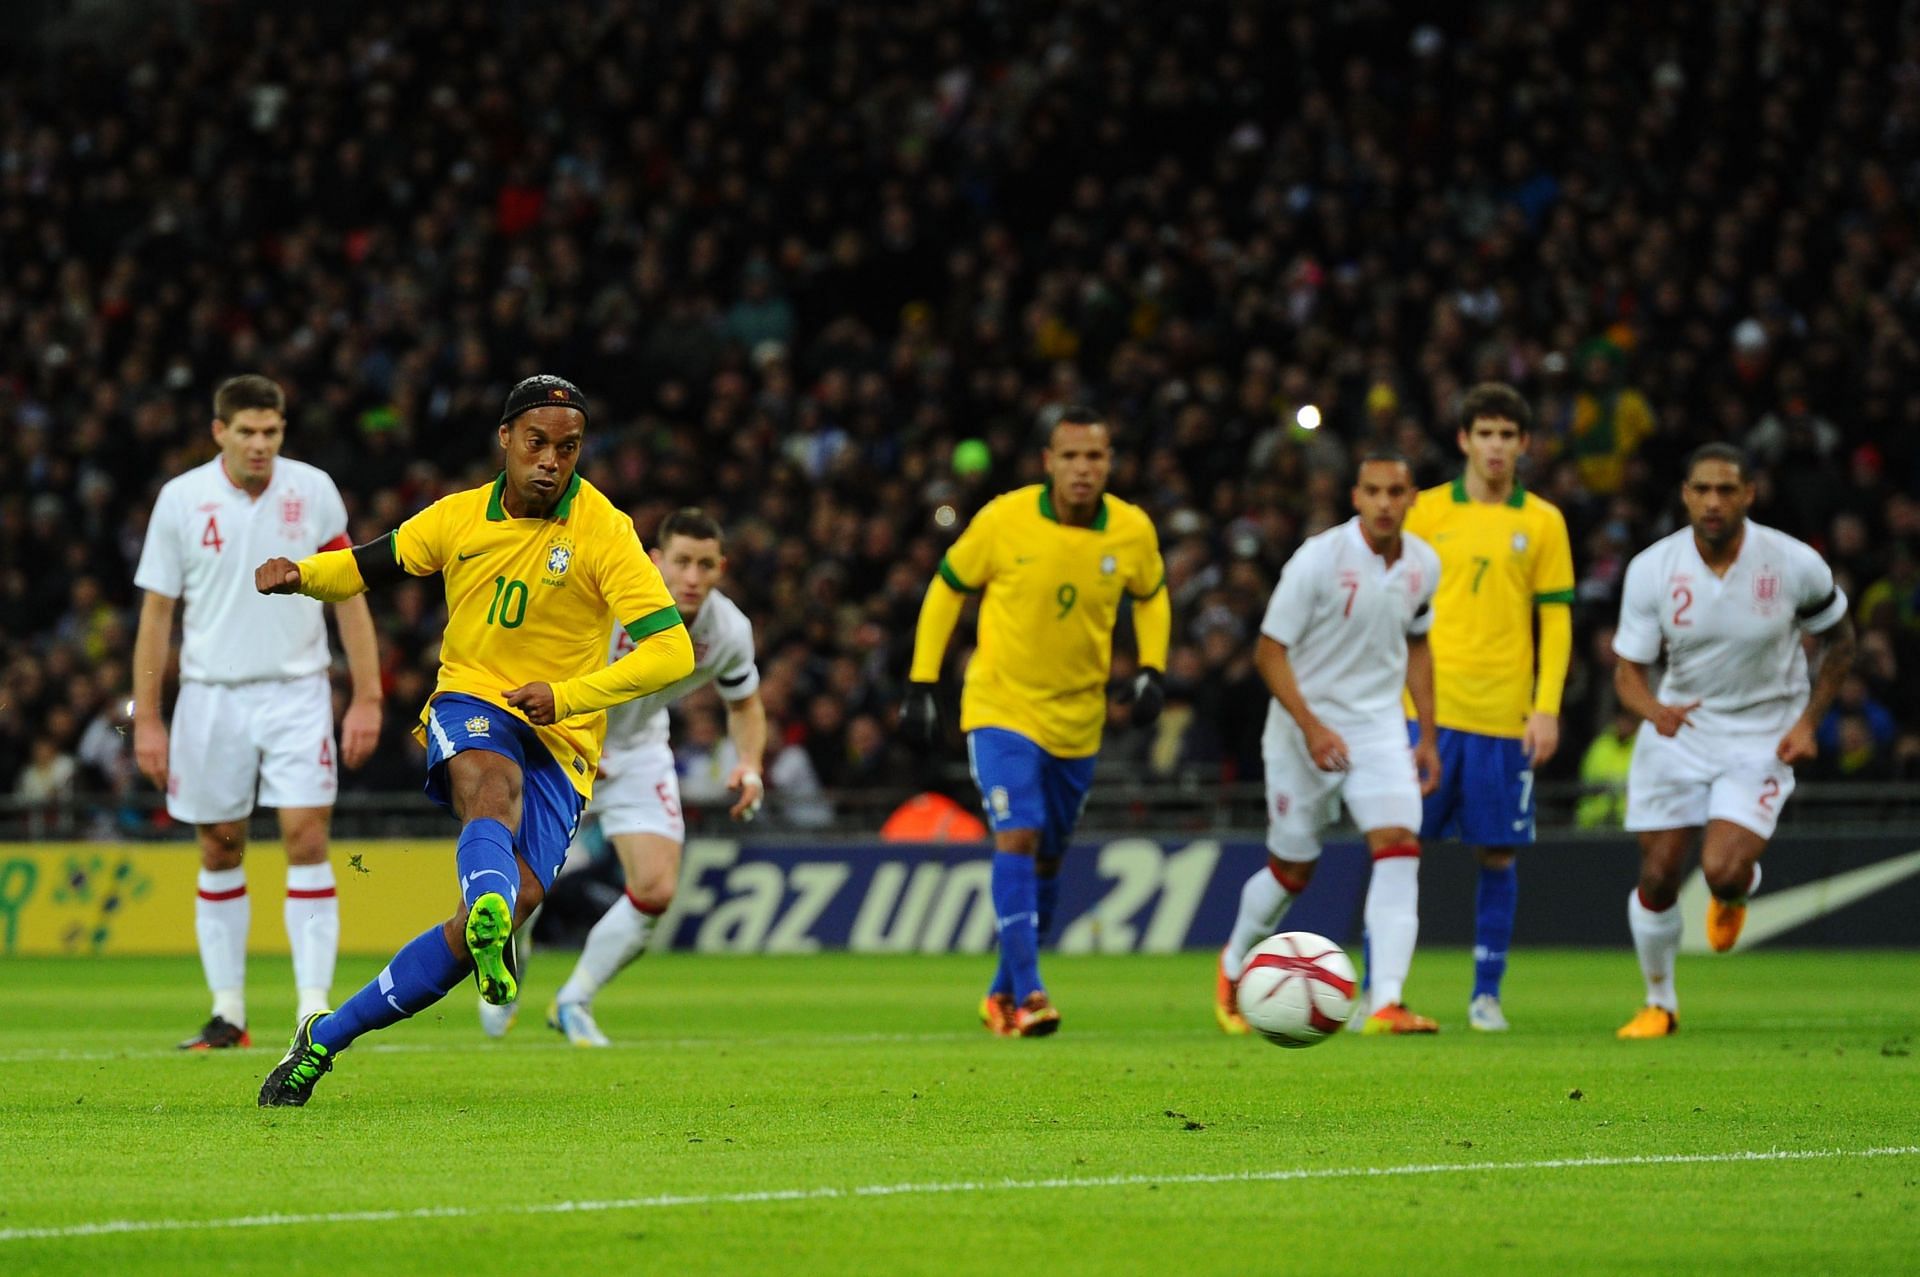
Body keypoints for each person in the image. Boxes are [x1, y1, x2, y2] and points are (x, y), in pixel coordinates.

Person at [252, 375, 694, 1105]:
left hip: (564, 734)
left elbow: (671, 651)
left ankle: (324, 1038)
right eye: (537, 443)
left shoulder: (604, 529)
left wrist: (570, 695)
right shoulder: (459, 518)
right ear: (505, 440)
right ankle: (491, 908)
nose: (552, 460)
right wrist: (301, 574)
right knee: (491, 784)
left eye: (569, 447)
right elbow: (370, 562)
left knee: (506, 902)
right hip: (474, 696)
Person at [131, 374, 382, 1049]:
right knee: (219, 846)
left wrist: (367, 694)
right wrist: (149, 718)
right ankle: (229, 1012)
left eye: (271, 431)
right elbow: (157, 614)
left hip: (298, 690)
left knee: (306, 837)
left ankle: (311, 1009)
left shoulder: (315, 490)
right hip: (212, 695)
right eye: (247, 431)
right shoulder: (181, 500)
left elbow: (350, 593)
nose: (261, 443)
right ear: (219, 431)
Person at [901, 407, 1169, 1038]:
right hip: (1001, 706)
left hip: (1079, 718)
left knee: (1048, 858)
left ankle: (1001, 993)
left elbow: (1152, 593)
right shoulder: (1003, 519)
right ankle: (1030, 994)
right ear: (1048, 462)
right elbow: (947, 586)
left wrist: (1153, 669)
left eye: (1094, 457)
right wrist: (922, 680)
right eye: (1070, 456)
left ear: (1109, 463)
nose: (1083, 468)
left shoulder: (1131, 531)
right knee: (1017, 834)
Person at [1611, 444, 1853, 1038]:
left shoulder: (1795, 564)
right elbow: (1627, 672)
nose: (1713, 501)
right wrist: (1654, 711)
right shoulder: (1653, 569)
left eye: (1726, 490)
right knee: (1659, 876)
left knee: (1720, 870)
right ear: (1685, 495)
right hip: (1681, 731)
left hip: (1762, 736)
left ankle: (1735, 892)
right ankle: (1658, 1004)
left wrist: (1807, 723)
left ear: (1749, 493)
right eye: (1702, 490)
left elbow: (1841, 641)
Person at [1366, 383, 1573, 1032]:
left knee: (1498, 855)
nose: (1496, 446)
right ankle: (1381, 991)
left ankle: (1486, 993)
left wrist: (1545, 707)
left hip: (1502, 717)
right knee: (1398, 846)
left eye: (1508, 435)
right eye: (1485, 433)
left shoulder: (1542, 521)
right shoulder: (1424, 512)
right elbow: (1386, 605)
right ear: (1463, 440)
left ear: (1523, 444)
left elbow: (1557, 621)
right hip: (1423, 714)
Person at [1217, 451, 1444, 1036]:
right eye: (1374, 492)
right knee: (1294, 868)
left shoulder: (1424, 565)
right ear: (1356, 498)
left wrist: (1428, 735)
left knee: (1398, 845)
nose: (1386, 503)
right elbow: (1269, 652)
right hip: (1302, 724)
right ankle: (1234, 963)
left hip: (1377, 726)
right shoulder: (1318, 560)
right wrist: (1313, 728)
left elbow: (1418, 643)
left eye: (1397, 492)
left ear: (1412, 497)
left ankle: (1386, 1002)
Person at [525, 508, 766, 1047]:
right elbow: (535, 655)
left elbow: (745, 703)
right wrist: (571, 733)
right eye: (681, 562)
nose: (692, 577)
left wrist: (749, 764)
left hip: (635, 752)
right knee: (522, 893)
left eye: (706, 565)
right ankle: (515, 961)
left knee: (655, 889)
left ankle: (574, 999)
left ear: (721, 569)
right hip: (560, 740)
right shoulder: (606, 594)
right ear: (654, 561)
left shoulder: (727, 631)